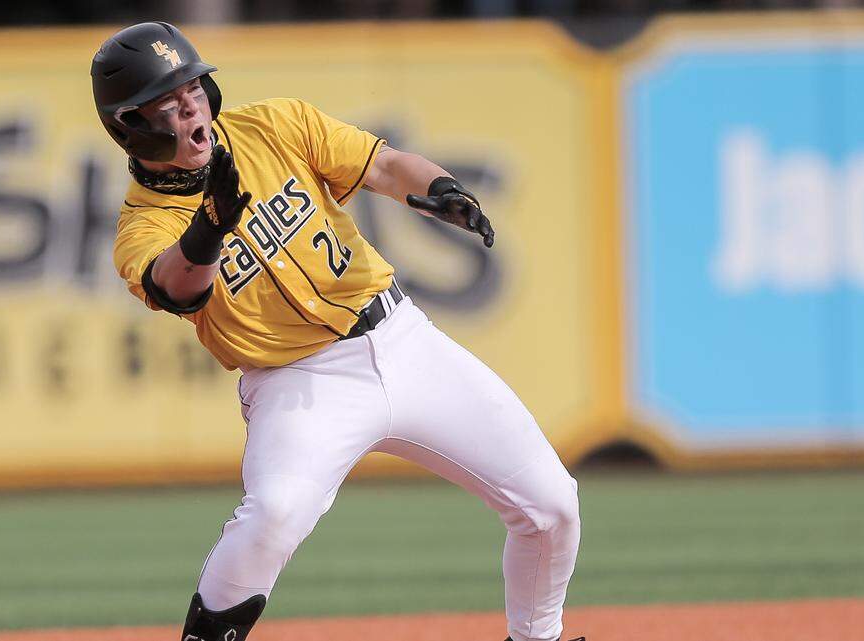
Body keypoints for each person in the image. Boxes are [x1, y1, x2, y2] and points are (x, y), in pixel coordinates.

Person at [91, 21, 581, 641]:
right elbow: (175, 287)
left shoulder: (275, 125)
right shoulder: (141, 228)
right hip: (298, 383)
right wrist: (209, 225)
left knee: (552, 507)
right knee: (271, 514)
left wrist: (438, 188)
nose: (190, 105)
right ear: (128, 126)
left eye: (193, 86)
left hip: (403, 338)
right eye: (169, 99)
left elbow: (385, 166)